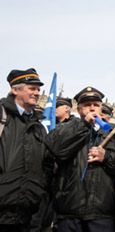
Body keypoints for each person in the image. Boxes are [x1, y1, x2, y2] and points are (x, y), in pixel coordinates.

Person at [45, 86, 115, 232]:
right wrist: (84, 125)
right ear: (79, 109)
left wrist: (106, 156)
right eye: (87, 105)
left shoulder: (112, 132)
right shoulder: (66, 127)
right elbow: (56, 148)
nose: (92, 108)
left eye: (96, 105)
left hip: (102, 213)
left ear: (101, 108)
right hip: (69, 211)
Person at [0, 68, 53, 231]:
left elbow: (47, 165)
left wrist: (38, 191)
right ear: (15, 90)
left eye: (38, 89)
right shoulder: (2, 117)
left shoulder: (38, 127)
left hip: (27, 213)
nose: (37, 93)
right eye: (32, 88)